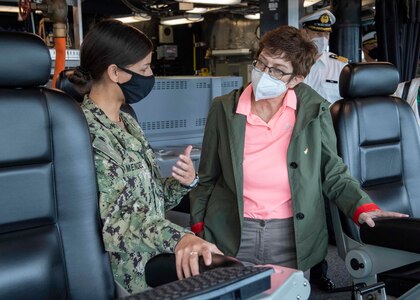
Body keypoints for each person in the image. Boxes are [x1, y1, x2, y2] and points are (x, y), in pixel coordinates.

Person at [189, 25, 408, 292]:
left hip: (292, 233)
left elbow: (332, 171)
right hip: (231, 230)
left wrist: (362, 207)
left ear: (296, 80)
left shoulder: (315, 111)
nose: (264, 74)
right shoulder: (223, 108)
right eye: (261, 63)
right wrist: (199, 226)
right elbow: (208, 176)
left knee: (289, 294)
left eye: (277, 70)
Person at [68, 19, 222, 294]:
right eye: (144, 68)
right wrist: (180, 239)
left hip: (149, 257)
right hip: (124, 275)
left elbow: (150, 204)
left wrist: (180, 183)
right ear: (115, 72)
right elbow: (118, 220)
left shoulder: (127, 121)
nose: (150, 75)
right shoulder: (87, 132)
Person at [300, 9, 348, 104]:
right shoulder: (291, 62)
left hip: (329, 118)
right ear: (304, 34)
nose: (323, 39)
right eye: (317, 33)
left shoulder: (341, 66)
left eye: (326, 34)